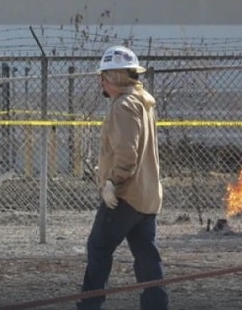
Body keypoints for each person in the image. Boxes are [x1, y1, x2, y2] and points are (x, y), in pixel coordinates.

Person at [77, 45, 168, 310]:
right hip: (147, 195)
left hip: (125, 195)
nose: (101, 81)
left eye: (103, 75)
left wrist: (111, 184)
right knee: (146, 256)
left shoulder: (123, 105)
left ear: (114, 77)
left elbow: (127, 154)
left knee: (98, 248)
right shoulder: (143, 101)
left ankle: (89, 305)